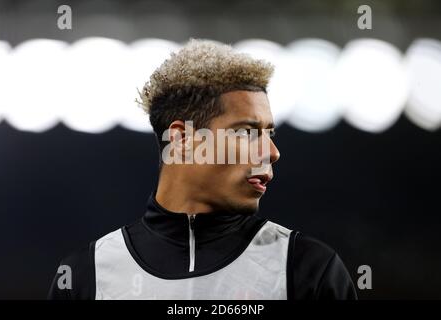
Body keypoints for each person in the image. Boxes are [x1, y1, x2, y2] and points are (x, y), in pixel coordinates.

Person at [48, 39, 357, 300]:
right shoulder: (85, 276)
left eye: (269, 134)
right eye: (248, 132)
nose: (272, 152)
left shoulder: (309, 269)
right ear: (181, 138)